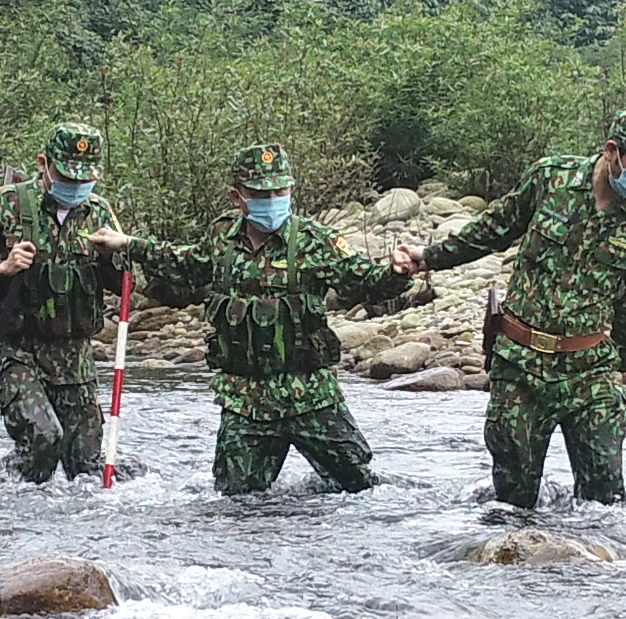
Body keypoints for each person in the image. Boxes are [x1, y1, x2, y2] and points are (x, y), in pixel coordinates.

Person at [415, 108, 626, 507]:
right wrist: (429, 257)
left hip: (589, 371)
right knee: (514, 500)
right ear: (612, 151)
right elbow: (493, 229)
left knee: (605, 503)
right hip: (521, 366)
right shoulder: (550, 179)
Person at [121, 144, 422, 495]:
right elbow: (185, 264)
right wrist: (127, 244)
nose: (273, 200)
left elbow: (364, 282)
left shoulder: (314, 241)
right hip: (245, 402)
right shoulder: (221, 238)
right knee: (235, 502)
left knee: (363, 490)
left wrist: (397, 273)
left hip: (310, 396)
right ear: (238, 197)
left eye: (280, 191)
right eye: (261, 194)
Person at [0, 117, 133, 481]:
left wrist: (113, 257)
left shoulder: (100, 213)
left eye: (84, 179)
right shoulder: (6, 204)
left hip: (75, 356)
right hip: (17, 350)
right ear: (43, 164)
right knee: (43, 439)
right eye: (67, 177)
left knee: (85, 466)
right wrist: (1, 267)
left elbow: (127, 283)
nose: (76, 186)